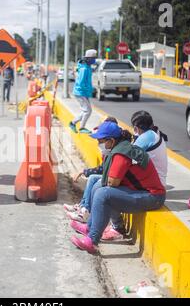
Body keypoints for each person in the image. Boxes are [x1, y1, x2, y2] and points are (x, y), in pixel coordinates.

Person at [70, 121, 166, 254]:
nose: (99, 144)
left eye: (101, 140)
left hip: (152, 196)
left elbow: (112, 182)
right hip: (139, 191)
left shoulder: (121, 153)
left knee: (103, 193)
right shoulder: (120, 148)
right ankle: (90, 228)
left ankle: (92, 240)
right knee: (98, 186)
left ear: (111, 140)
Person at [69, 49, 97, 134]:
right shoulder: (84, 69)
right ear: (88, 59)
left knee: (86, 110)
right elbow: (81, 83)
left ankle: (73, 123)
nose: (94, 60)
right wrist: (89, 89)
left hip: (83, 92)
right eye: (93, 58)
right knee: (88, 111)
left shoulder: (87, 67)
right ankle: (81, 128)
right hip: (80, 92)